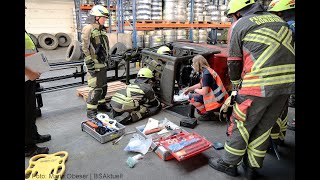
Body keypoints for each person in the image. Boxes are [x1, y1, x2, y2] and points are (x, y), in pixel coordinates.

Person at [208, 0, 295, 179]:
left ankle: (228, 163)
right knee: (264, 127)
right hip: (287, 84)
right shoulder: (279, 21)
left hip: (258, 84)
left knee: (241, 124)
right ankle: (252, 167)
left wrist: (236, 85)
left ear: (238, 13)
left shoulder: (240, 24)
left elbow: (233, 62)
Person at [25, 6, 51, 157]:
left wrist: (35, 70)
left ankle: (33, 136)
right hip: (27, 76)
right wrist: (31, 72)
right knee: (25, 112)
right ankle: (28, 147)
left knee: (31, 110)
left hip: (29, 77)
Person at [268, 0, 295, 139]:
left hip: (287, 72)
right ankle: (281, 134)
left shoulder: (288, 27)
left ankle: (276, 137)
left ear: (280, 13)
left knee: (278, 104)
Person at [81, 5, 111, 119]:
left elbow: (104, 46)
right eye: (103, 17)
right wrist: (89, 62)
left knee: (103, 86)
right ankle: (91, 110)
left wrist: (108, 57)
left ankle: (102, 104)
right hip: (93, 63)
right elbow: (84, 47)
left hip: (102, 63)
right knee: (95, 87)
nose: (105, 20)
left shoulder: (101, 29)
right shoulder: (88, 28)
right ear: (96, 17)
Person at [183, 55, 228, 121]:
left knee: (191, 97)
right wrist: (189, 89)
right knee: (195, 93)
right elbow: (201, 84)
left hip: (216, 100)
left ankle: (207, 114)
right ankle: (209, 113)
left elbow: (204, 92)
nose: (192, 65)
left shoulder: (206, 74)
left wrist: (194, 90)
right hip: (221, 97)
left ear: (197, 64)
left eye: (193, 63)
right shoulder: (208, 70)